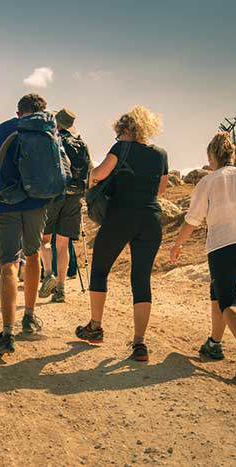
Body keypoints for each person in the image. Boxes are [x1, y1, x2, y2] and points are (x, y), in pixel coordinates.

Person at [171, 132, 236, 379]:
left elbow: (193, 220)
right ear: (233, 155)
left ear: (212, 157)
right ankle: (214, 343)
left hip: (223, 247)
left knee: (227, 300)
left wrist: (177, 244)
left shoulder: (208, 182)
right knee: (217, 289)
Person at [75, 106, 168, 362]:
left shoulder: (121, 149)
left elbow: (98, 174)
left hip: (120, 217)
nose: (117, 138)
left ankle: (95, 327)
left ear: (127, 130)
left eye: (119, 134)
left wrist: (92, 177)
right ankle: (139, 343)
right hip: (151, 220)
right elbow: (160, 190)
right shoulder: (161, 154)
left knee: (100, 270)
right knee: (141, 279)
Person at [0, 93, 52, 356]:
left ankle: (7, 334)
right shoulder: (48, 130)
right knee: (33, 256)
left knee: (8, 264)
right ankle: (29, 317)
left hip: (6, 205)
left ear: (18, 111)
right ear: (42, 111)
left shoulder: (2, 129)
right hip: (37, 204)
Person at [39, 108, 91, 303]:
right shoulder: (81, 143)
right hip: (75, 197)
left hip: (54, 196)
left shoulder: (53, 140)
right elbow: (90, 171)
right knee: (63, 245)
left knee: (44, 240)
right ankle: (61, 288)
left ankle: (48, 275)